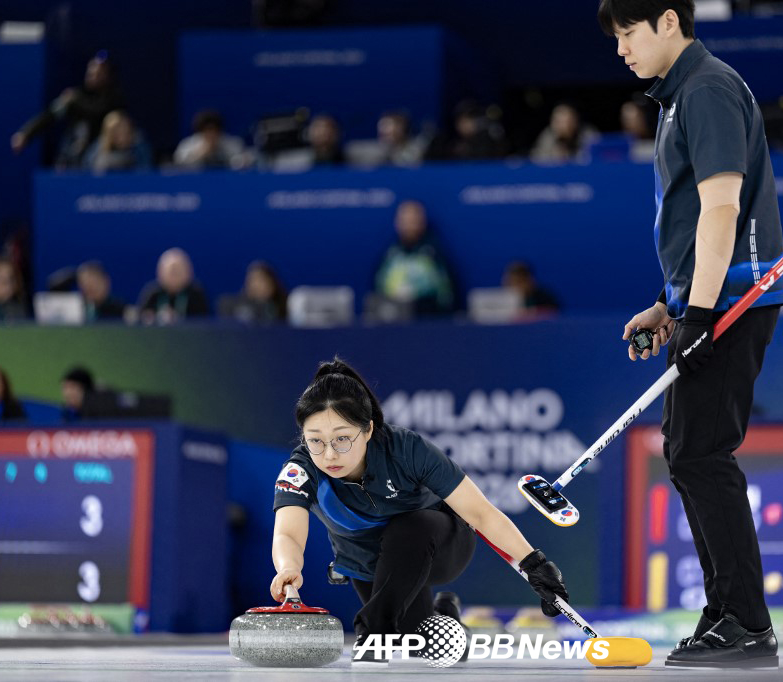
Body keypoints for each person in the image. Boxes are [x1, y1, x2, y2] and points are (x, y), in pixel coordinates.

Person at [600, 0, 783, 667]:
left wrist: (702, 314)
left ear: (670, 21)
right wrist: (670, 304)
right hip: (708, 299)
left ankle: (744, 618)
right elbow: (693, 226)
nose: (620, 49)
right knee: (688, 452)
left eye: (627, 33)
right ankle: (728, 611)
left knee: (702, 453)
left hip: (734, 300)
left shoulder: (706, 88)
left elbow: (721, 207)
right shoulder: (679, 97)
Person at [270, 358, 572, 664]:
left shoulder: (406, 449)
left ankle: (376, 630)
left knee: (408, 528)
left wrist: (535, 565)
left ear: (369, 429)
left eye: (343, 438)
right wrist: (287, 568)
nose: (330, 454)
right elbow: (288, 531)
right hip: (370, 564)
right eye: (315, 441)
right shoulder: (301, 469)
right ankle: (446, 616)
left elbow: (480, 513)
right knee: (434, 646)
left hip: (439, 545)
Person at [10, 51, 127, 168]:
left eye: (98, 73)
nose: (93, 76)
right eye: (90, 72)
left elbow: (97, 111)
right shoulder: (76, 96)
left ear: (107, 75)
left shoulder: (114, 99)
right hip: (74, 153)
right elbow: (50, 115)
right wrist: (26, 133)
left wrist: (75, 101)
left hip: (99, 156)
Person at [373, 201, 455, 317]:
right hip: (393, 321)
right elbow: (377, 292)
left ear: (422, 222)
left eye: (413, 220)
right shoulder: (389, 255)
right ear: (397, 222)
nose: (409, 226)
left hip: (427, 321)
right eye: (405, 220)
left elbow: (446, 295)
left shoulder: (433, 255)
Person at [137, 248, 210, 324]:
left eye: (178, 271)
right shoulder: (152, 293)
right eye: (171, 272)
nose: (175, 276)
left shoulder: (196, 294)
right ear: (160, 272)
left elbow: (204, 322)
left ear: (189, 272)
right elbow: (140, 318)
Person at [173, 110, 247, 170]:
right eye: (207, 130)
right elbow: (179, 163)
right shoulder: (188, 145)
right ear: (200, 130)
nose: (211, 134)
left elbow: (242, 160)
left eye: (214, 130)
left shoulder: (232, 143)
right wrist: (202, 152)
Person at [82, 111, 152, 173]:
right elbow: (89, 172)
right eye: (116, 132)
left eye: (126, 131)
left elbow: (144, 173)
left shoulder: (140, 148)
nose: (122, 136)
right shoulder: (97, 149)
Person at [219, 261, 288, 324]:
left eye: (262, 280)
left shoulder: (284, 305)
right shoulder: (234, 305)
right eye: (253, 281)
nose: (257, 285)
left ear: (273, 283)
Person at [530, 103, 600, 163]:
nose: (564, 126)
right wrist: (554, 158)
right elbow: (537, 159)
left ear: (575, 121)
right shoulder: (548, 135)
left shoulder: (587, 133)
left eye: (568, 121)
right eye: (558, 122)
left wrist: (571, 157)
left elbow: (595, 158)